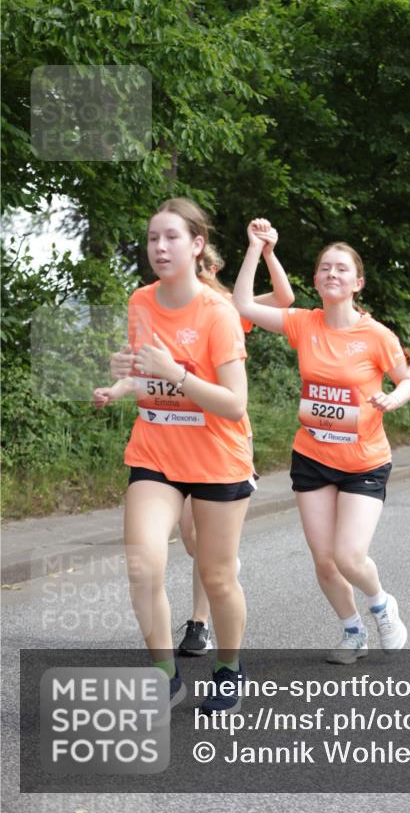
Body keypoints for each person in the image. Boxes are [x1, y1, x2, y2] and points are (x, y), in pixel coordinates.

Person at [233, 220, 410, 663]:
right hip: (313, 457)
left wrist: (392, 398)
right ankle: (352, 631)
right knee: (324, 560)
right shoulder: (303, 324)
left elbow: (407, 379)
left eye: (341, 269)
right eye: (324, 269)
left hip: (364, 460)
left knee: (350, 556)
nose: (332, 274)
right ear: (315, 280)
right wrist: (259, 249)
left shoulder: (376, 335)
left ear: (358, 283)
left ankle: (381, 604)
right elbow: (239, 303)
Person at [99, 197, 254, 713]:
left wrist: (176, 374)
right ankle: (165, 675)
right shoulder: (140, 302)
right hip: (156, 453)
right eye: (152, 239)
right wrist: (122, 381)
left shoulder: (218, 314)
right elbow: (145, 371)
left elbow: (234, 404)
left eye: (171, 238)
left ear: (197, 245)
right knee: (143, 564)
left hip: (217, 458)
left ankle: (228, 668)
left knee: (217, 576)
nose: (159, 248)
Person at [176, 238, 294, 657]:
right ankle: (220, 576)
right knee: (191, 537)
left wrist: (260, 249)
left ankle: (199, 622)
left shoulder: (226, 308)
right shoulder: (167, 312)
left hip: (222, 442)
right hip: (177, 442)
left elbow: (284, 298)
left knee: (206, 540)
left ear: (209, 267)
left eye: (203, 268)